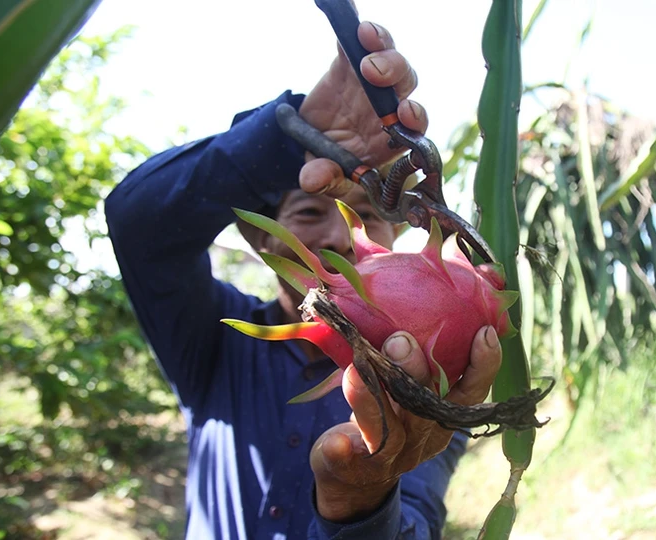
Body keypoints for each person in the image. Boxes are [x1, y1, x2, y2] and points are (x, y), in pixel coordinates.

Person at [105, 18, 502, 540]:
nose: (341, 238)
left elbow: (415, 523)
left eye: (366, 215)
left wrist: (362, 503)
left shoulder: (428, 380)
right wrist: (287, 136)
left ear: (393, 241)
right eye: (312, 213)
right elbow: (140, 225)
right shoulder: (215, 341)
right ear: (260, 240)